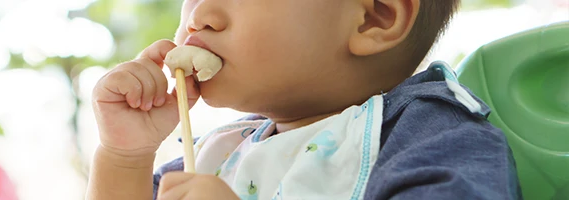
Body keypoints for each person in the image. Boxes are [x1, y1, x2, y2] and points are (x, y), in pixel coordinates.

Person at [86, 0, 522, 199]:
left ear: (374, 18)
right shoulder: (225, 152)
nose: (199, 14)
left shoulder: (429, 138)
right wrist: (125, 156)